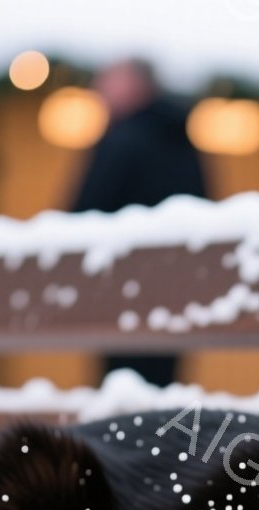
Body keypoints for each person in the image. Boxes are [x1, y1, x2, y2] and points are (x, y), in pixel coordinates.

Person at [72, 59, 206, 387]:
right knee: (161, 390)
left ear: (135, 85)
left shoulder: (121, 140)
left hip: (120, 287)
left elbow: (85, 211)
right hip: (176, 290)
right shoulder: (183, 138)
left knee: (122, 387)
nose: (99, 90)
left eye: (108, 81)